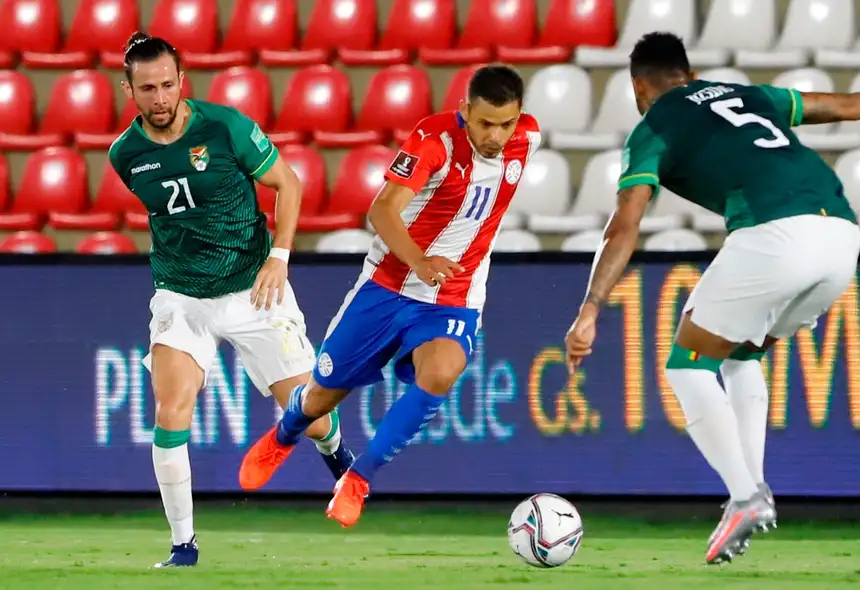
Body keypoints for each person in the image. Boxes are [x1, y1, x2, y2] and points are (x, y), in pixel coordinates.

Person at [563, 32, 860, 565]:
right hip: (841, 237)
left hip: (774, 235)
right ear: (689, 74)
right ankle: (753, 488)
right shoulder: (747, 95)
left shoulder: (654, 126)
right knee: (741, 356)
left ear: (639, 87)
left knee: (686, 367)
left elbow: (625, 223)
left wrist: (591, 306)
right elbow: (847, 106)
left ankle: (744, 496)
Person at [238, 65, 542, 528]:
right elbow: (382, 210)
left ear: (520, 118)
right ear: (465, 111)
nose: (496, 136)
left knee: (441, 372)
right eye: (485, 123)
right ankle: (284, 434)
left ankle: (357, 480)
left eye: (506, 124)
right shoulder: (433, 141)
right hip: (388, 286)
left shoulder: (529, 138)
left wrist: (438, 271)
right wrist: (420, 261)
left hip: (454, 295)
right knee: (321, 398)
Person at [108, 32, 355, 568]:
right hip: (182, 297)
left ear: (181, 80)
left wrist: (280, 256)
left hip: (254, 287)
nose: (160, 97)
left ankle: (337, 455)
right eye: (147, 88)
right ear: (128, 89)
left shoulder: (225, 128)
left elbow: (287, 184)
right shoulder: (124, 155)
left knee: (310, 414)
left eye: (168, 84)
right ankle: (183, 546)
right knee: (171, 408)